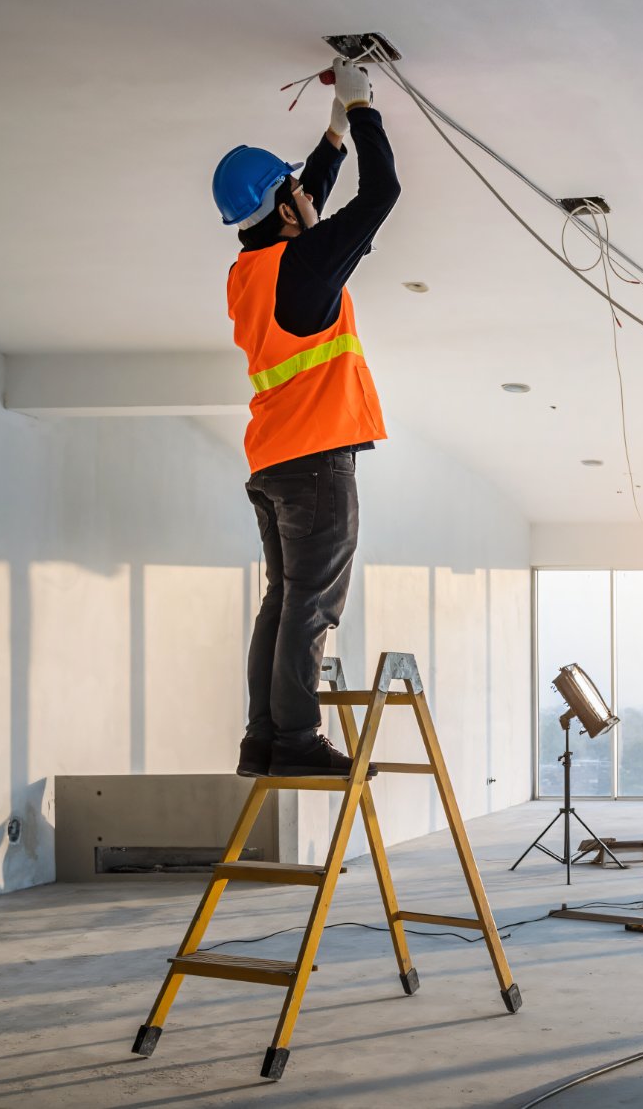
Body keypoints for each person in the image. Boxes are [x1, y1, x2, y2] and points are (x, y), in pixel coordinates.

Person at [210, 59, 399, 778]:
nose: (304, 195)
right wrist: (363, 108)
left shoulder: (251, 269)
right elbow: (382, 196)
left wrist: (333, 138)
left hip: (274, 463)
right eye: (295, 190)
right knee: (309, 609)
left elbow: (301, 207)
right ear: (285, 209)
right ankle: (294, 744)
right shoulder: (307, 264)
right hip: (318, 463)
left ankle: (262, 740)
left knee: (282, 605)